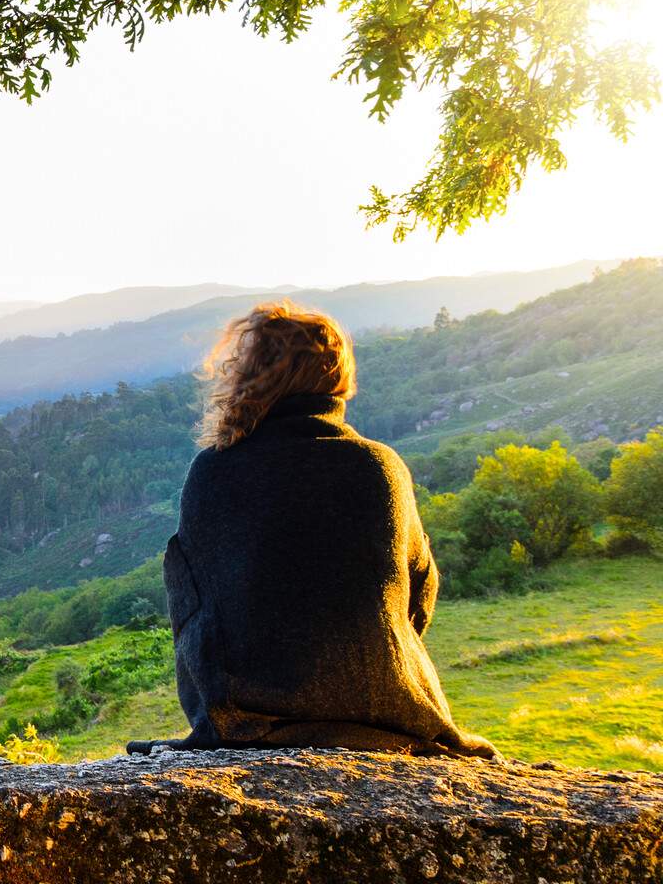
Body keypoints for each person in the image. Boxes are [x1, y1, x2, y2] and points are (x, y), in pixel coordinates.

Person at [129, 301, 494, 757]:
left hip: (245, 722)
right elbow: (420, 595)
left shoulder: (215, 471)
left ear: (248, 376)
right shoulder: (381, 467)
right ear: (336, 378)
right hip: (393, 717)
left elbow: (192, 607)